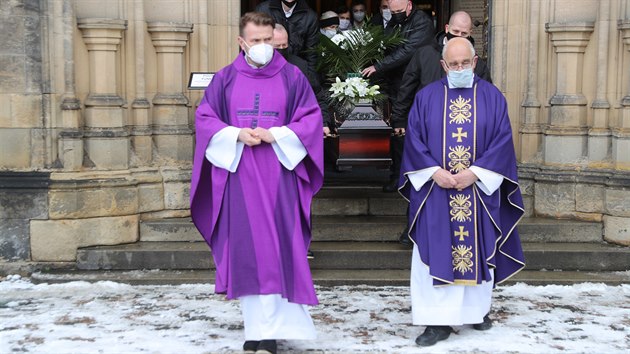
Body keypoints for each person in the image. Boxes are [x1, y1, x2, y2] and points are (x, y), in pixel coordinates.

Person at [189, 12, 324, 354]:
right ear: (241, 42)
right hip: (240, 180)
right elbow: (205, 119)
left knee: (277, 252)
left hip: (280, 179)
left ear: (277, 39)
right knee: (247, 253)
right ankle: (256, 329)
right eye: (255, 41)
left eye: (268, 40)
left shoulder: (293, 77)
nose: (263, 47)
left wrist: (276, 134)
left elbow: (310, 120)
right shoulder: (225, 79)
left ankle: (272, 331)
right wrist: (235, 134)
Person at [399, 37, 525, 347]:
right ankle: (437, 322)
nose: (459, 69)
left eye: (464, 63)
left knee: (478, 249)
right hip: (436, 193)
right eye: (452, 64)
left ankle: (475, 311)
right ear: (443, 65)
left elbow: (502, 142)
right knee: (434, 254)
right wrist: (434, 172)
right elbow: (414, 141)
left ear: (475, 61)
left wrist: (475, 173)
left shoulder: (493, 97)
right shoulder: (426, 97)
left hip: (478, 192)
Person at [393, 11, 493, 246]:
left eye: (464, 33)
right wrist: (398, 120)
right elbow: (407, 87)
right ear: (447, 27)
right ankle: (415, 227)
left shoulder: (478, 65)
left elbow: (486, 101)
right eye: (455, 32)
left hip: (464, 136)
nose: (459, 36)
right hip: (430, 134)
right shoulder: (425, 54)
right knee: (426, 183)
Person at [360, 0, 434, 194]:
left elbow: (407, 51)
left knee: (415, 134)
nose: (396, 15)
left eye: (399, 11)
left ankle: (417, 177)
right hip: (396, 84)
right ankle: (398, 176)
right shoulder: (394, 21)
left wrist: (379, 67)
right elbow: (387, 46)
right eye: (393, 12)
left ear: (410, 5)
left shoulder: (422, 23)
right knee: (397, 133)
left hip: (417, 87)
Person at [256, 0, 320, 74]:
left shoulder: (310, 17)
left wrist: (309, 81)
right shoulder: (263, 10)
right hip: (266, 69)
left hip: (297, 71)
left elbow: (312, 55)